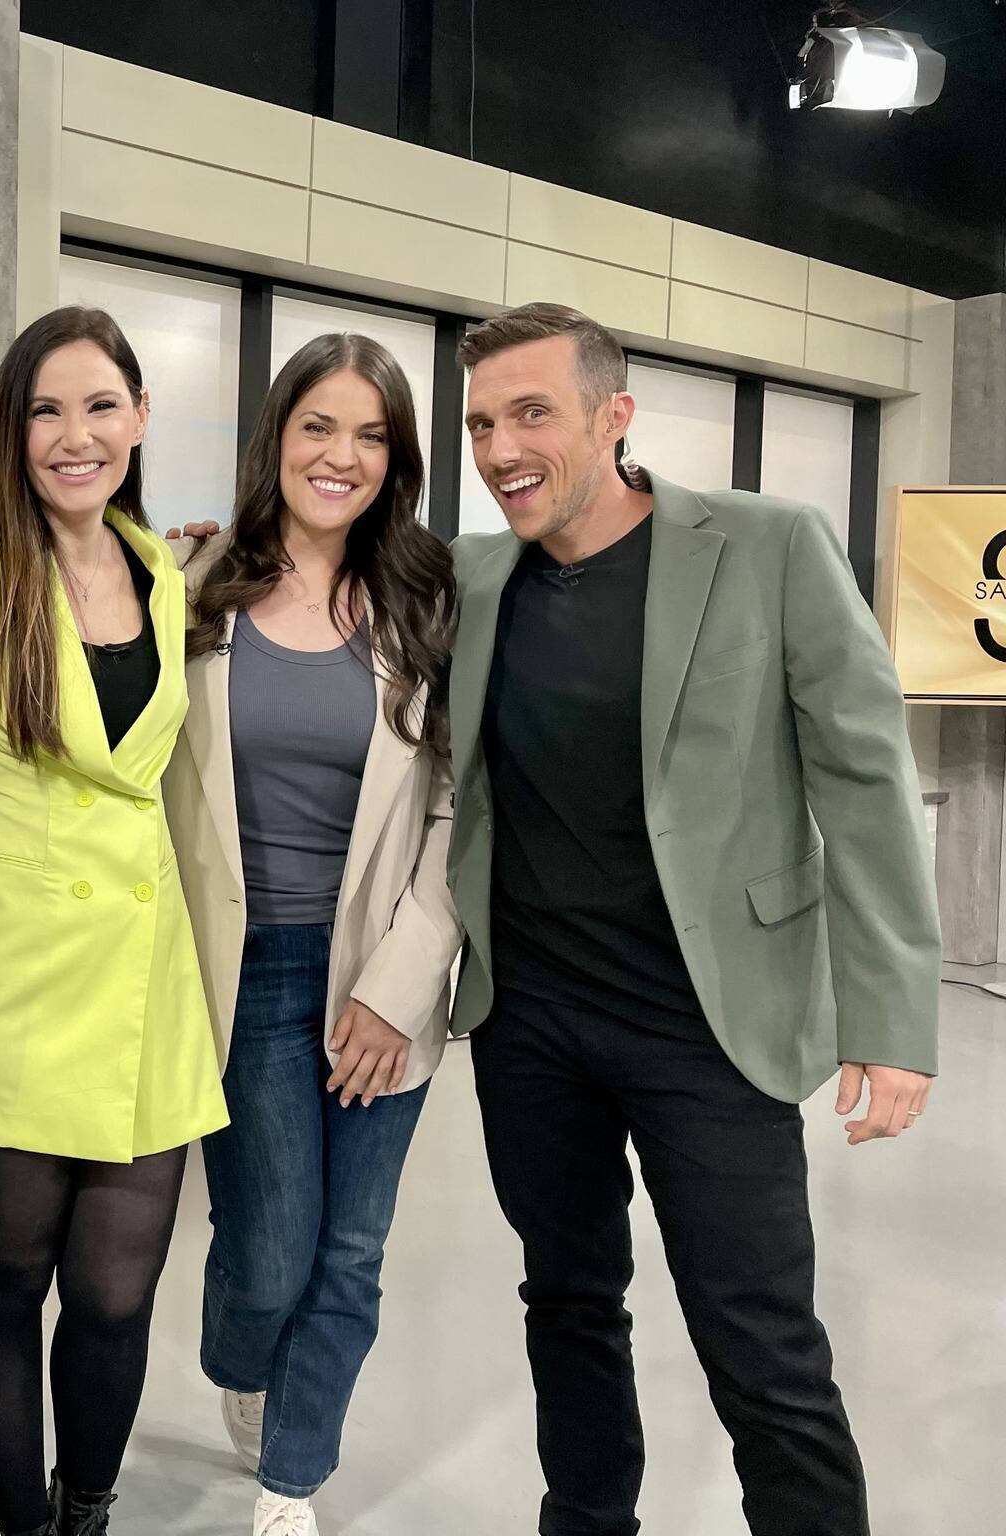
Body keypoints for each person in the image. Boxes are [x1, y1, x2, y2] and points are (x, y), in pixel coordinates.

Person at [447, 301, 939, 1536]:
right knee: (566, 1306)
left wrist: (889, 1018)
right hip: (530, 1025)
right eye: (479, 424)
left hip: (708, 1026)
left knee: (760, 1345)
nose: (499, 448)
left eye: (529, 413)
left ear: (612, 416)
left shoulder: (768, 547)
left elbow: (863, 782)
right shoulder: (471, 577)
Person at [0, 305, 228, 1536]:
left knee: (112, 1295)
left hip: (146, 980)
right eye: (44, 410)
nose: (73, 434)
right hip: (14, 980)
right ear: (12, 428)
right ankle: (24, 1529)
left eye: (99, 405)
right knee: (4, 1285)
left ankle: (83, 1510)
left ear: (139, 417)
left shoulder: (160, 570)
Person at [164, 333, 461, 1536]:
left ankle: (291, 1479)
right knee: (267, 1257)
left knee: (349, 1252)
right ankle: (239, 1362)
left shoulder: (425, 601)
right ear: (276, 438)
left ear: (396, 461)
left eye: (370, 436)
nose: (340, 456)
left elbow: (456, 806)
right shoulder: (191, 583)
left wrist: (399, 984)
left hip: (378, 972)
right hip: (240, 974)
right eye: (317, 427)